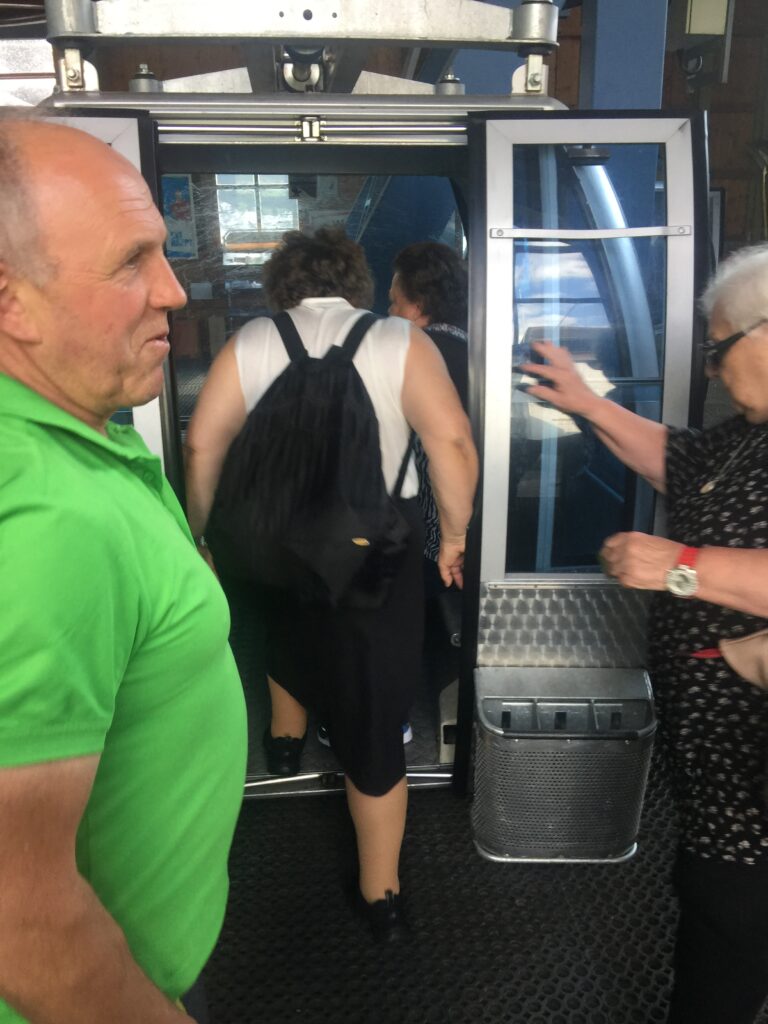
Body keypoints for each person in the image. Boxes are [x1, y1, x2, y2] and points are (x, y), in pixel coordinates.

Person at [0, 114, 248, 1024]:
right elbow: (19, 919)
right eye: (131, 262)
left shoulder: (76, 437)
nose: (175, 291)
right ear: (9, 303)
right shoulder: (44, 516)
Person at [185, 226, 477, 941]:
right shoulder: (400, 341)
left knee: (285, 634)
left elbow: (201, 442)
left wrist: (200, 535)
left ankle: (284, 742)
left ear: (281, 286)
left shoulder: (252, 340)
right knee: (374, 704)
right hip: (375, 544)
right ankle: (382, 896)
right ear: (357, 283)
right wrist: (455, 536)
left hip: (274, 538)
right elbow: (450, 442)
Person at [520, 243, 768, 1024]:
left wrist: (682, 568)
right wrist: (588, 403)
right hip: (718, 778)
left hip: (753, 795)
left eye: (720, 347)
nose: (712, 367)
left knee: (725, 943)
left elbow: (696, 562)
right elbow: (681, 460)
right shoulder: (750, 432)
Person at [389, 241, 469, 595]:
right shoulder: (477, 352)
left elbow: (448, 445)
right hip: (480, 527)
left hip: (434, 538)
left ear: (416, 308)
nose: (388, 312)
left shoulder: (412, 358)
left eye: (394, 303)